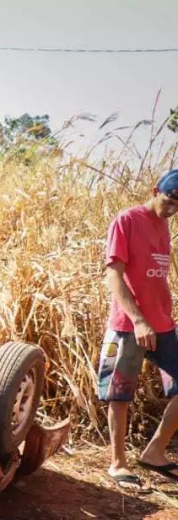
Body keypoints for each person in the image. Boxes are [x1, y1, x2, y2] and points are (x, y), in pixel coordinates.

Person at [99, 169, 178, 491]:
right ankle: (117, 463)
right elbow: (114, 275)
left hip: (163, 325)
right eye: (170, 199)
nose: (172, 207)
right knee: (120, 393)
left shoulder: (164, 226)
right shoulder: (127, 220)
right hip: (128, 326)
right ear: (156, 189)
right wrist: (138, 319)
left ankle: (155, 451)